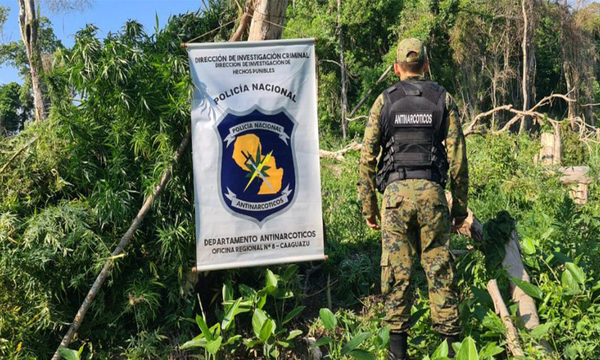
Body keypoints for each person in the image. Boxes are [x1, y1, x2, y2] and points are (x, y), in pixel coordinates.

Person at [358, 38, 469, 360]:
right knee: (439, 269)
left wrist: (369, 207)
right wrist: (459, 208)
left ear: (396, 68)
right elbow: (458, 158)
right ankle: (450, 351)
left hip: (394, 199)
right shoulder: (442, 99)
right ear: (426, 66)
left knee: (397, 271)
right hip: (433, 196)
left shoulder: (385, 101)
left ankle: (398, 353)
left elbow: (366, 158)